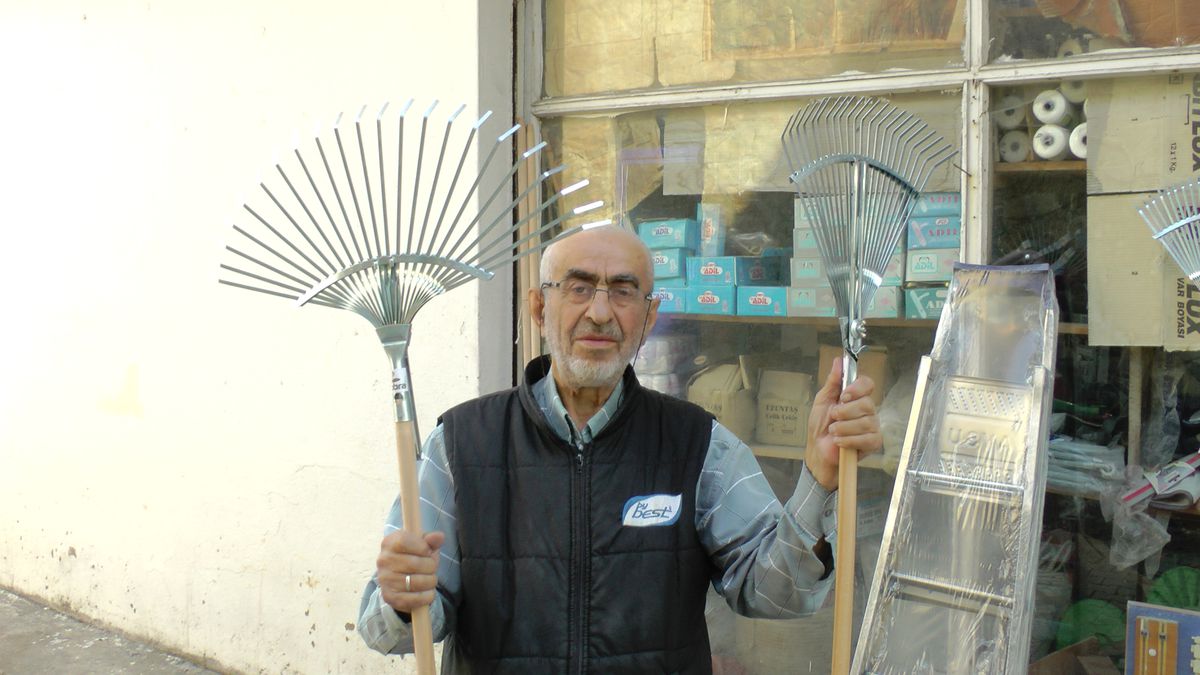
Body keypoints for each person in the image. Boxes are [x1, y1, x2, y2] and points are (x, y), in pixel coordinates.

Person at [358, 225, 882, 673]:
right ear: (540, 307)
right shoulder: (461, 446)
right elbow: (392, 632)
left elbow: (775, 593)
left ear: (649, 317)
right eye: (580, 288)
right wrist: (402, 602)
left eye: (624, 291)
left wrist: (819, 478)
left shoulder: (698, 446)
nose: (601, 313)